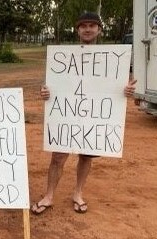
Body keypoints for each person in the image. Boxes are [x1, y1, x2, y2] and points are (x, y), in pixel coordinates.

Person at [31, 12, 137, 215]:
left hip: (92, 118)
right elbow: (52, 87)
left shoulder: (112, 59)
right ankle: (49, 195)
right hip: (67, 116)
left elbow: (115, 89)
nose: (88, 29)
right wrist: (45, 92)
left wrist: (126, 91)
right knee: (57, 157)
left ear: (99, 30)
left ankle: (78, 193)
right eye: (83, 26)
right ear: (77, 30)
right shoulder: (63, 57)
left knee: (86, 157)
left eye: (92, 25)